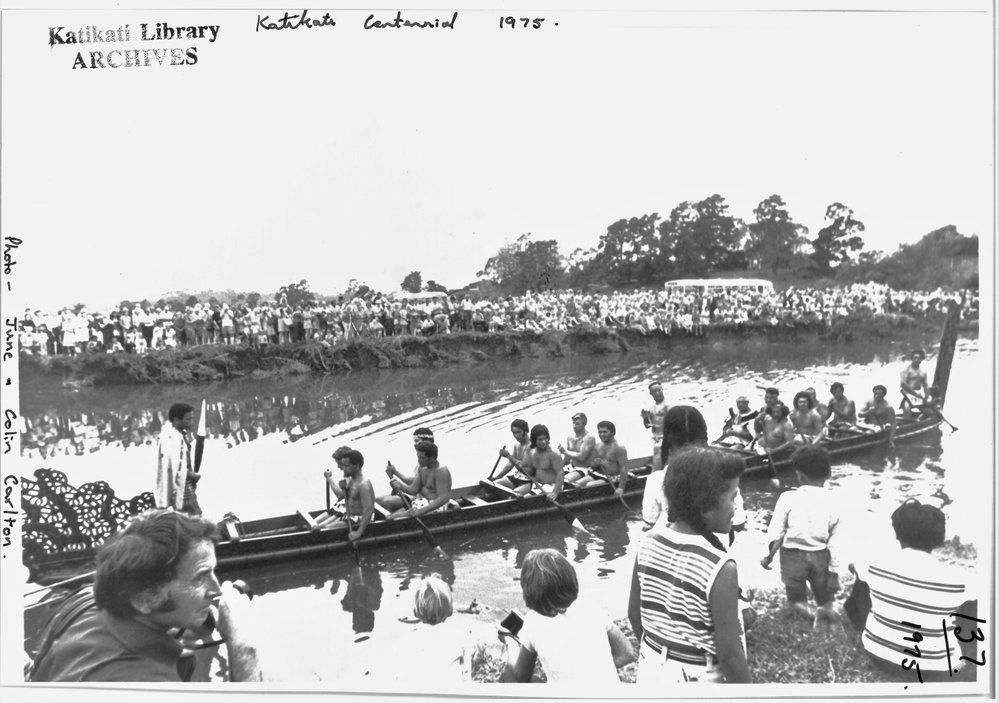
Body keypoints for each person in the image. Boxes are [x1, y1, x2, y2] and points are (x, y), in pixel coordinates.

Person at [29, 509, 261, 682]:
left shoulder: (84, 600)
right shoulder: (147, 683)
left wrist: (176, 626)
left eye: (213, 572)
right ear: (146, 598)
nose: (217, 589)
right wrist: (242, 642)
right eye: (201, 576)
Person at [628, 448, 751, 684]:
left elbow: (635, 614)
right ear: (705, 506)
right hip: (697, 678)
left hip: (651, 665)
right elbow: (730, 656)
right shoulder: (721, 567)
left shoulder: (647, 542)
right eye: (732, 497)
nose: (735, 507)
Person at [852, 499, 977, 682]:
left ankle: (871, 626)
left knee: (863, 581)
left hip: (877, 654)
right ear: (939, 539)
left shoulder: (873, 563)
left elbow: (853, 566)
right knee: (973, 606)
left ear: (897, 534)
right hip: (938, 669)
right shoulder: (959, 579)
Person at [501, 549, 634, 684]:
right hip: (610, 697)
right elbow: (627, 653)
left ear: (529, 591)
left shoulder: (533, 621)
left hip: (567, 697)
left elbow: (520, 676)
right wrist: (587, 675)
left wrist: (509, 641)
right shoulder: (591, 606)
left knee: (508, 677)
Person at [760, 445, 842, 623]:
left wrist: (768, 556)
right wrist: (834, 573)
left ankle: (813, 614)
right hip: (821, 555)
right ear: (828, 474)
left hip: (792, 555)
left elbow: (776, 532)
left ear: (799, 475)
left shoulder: (788, 498)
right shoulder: (835, 500)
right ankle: (831, 611)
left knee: (796, 601)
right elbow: (836, 541)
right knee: (827, 599)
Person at [382, 575, 474, 683]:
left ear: (416, 610)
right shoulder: (461, 639)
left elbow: (390, 679)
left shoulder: (403, 641)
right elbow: (467, 679)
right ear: (449, 609)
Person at [379, 441, 453, 518]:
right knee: (389, 515)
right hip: (421, 502)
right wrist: (400, 486)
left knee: (393, 518)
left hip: (437, 506)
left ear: (432, 458)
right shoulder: (422, 468)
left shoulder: (441, 471)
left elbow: (443, 498)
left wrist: (419, 511)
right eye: (418, 457)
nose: (418, 460)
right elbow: (414, 490)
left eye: (422, 458)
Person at [317, 448, 376, 540]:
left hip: (358, 518)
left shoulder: (364, 484)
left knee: (324, 530)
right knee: (318, 528)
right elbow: (344, 497)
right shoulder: (352, 480)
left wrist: (358, 533)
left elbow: (369, 510)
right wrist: (344, 489)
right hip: (347, 515)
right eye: (343, 465)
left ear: (356, 465)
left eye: (346, 466)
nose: (343, 469)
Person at [155, 402, 201, 515]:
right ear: (176, 420)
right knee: (192, 517)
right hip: (180, 487)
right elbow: (176, 468)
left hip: (183, 485)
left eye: (192, 419)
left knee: (191, 516)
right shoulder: (173, 438)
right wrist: (192, 475)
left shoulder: (177, 434)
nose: (191, 422)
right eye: (188, 419)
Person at [571, 421, 628, 494]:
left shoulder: (619, 448)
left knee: (589, 485)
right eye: (600, 432)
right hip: (599, 474)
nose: (602, 435)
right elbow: (592, 466)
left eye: (605, 432)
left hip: (614, 477)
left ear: (612, 433)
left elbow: (624, 468)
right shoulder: (597, 446)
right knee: (576, 485)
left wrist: (620, 488)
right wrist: (594, 463)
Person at [523, 424, 565, 503]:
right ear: (534, 440)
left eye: (545, 438)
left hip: (552, 486)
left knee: (525, 498)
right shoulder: (532, 451)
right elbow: (530, 470)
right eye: (540, 439)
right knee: (516, 493)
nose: (544, 441)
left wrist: (555, 492)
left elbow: (560, 473)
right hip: (537, 484)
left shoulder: (553, 453)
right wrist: (519, 466)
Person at [493, 419, 534, 495]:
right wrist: (498, 477)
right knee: (494, 485)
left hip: (530, 482)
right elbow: (510, 464)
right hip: (516, 478)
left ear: (526, 431)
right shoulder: (517, 445)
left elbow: (522, 466)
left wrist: (508, 456)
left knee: (514, 494)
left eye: (518, 432)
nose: (516, 436)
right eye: (514, 433)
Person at [641, 382, 669, 472]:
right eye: (654, 391)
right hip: (657, 440)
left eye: (659, 390)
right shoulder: (651, 409)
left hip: (669, 438)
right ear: (651, 394)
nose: (658, 393)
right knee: (658, 463)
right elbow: (647, 426)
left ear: (662, 390)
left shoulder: (670, 405)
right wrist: (645, 418)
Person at [560, 413, 596, 482]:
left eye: (577, 424)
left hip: (584, 469)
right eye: (573, 423)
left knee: (564, 480)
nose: (574, 426)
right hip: (571, 467)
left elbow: (581, 457)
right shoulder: (570, 438)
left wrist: (565, 452)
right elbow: (567, 458)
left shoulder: (589, 438)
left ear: (584, 424)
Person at [899, 349, 929, 418]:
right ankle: (907, 425)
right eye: (915, 358)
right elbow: (902, 384)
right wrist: (915, 394)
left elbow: (925, 385)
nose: (916, 360)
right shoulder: (906, 371)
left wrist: (927, 397)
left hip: (918, 397)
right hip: (908, 395)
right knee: (907, 411)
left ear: (922, 359)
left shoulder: (923, 372)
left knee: (929, 412)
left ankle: (919, 420)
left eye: (919, 358)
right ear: (912, 358)